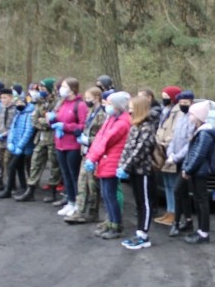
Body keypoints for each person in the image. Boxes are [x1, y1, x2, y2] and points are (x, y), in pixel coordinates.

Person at [86, 91, 132, 240]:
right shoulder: (112, 118)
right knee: (106, 195)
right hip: (106, 161)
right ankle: (111, 222)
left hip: (112, 162)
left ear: (118, 106)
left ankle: (116, 225)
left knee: (110, 195)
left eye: (110, 104)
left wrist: (92, 158)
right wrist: (91, 157)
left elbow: (106, 141)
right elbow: (99, 137)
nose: (107, 106)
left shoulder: (122, 123)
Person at [117, 95, 159, 249]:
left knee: (145, 203)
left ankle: (143, 235)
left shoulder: (148, 127)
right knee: (138, 203)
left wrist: (125, 166)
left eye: (132, 108)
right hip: (133, 170)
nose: (129, 111)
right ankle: (139, 231)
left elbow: (140, 151)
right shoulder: (135, 126)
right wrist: (122, 165)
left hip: (143, 171)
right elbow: (127, 148)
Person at [64, 87, 107, 223]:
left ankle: (92, 212)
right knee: (82, 182)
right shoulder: (91, 112)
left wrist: (87, 140)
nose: (87, 101)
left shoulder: (102, 114)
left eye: (89, 98)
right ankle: (80, 211)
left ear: (96, 97)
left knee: (92, 185)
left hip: (95, 153)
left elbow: (103, 137)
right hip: (85, 152)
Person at [15, 78, 62, 203]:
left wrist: (45, 121)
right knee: (35, 163)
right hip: (40, 138)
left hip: (52, 138)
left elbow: (54, 120)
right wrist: (44, 122)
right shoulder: (40, 102)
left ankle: (52, 191)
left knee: (54, 165)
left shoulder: (57, 102)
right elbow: (35, 120)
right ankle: (30, 190)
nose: (41, 91)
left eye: (43, 88)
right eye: (40, 89)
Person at [179, 100, 215, 244]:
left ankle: (204, 232)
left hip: (200, 172)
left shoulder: (205, 134)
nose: (189, 116)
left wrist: (188, 169)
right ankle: (200, 230)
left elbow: (199, 154)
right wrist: (186, 167)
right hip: (196, 171)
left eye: (192, 114)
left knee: (202, 201)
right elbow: (192, 152)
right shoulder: (199, 131)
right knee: (198, 200)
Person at [49, 78, 88, 217]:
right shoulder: (62, 103)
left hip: (72, 145)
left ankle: (78, 203)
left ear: (73, 88)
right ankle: (70, 201)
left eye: (65, 86)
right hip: (60, 143)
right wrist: (52, 120)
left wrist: (65, 127)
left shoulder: (80, 105)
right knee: (65, 174)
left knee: (74, 175)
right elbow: (58, 119)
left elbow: (83, 125)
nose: (61, 89)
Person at [167, 91, 197, 237]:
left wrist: (177, 157)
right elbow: (174, 139)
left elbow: (190, 144)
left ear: (192, 102)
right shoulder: (180, 118)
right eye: (181, 102)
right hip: (178, 160)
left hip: (187, 161)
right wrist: (170, 153)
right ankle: (188, 220)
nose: (183, 105)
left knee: (177, 190)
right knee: (183, 193)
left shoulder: (194, 119)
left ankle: (176, 223)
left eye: (186, 102)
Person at [153, 86, 182, 225]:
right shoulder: (166, 111)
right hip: (161, 150)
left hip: (170, 151)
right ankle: (169, 211)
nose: (163, 98)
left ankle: (175, 212)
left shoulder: (178, 112)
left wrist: (163, 142)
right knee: (166, 183)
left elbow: (175, 133)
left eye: (166, 96)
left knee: (172, 184)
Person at [0, 94, 35, 198]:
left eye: (21, 102)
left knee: (12, 166)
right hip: (15, 146)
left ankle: (8, 190)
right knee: (19, 167)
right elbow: (13, 129)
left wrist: (20, 146)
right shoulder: (18, 113)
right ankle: (23, 187)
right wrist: (10, 142)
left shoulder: (29, 114)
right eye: (17, 102)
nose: (19, 104)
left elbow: (28, 132)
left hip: (24, 147)